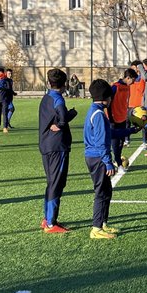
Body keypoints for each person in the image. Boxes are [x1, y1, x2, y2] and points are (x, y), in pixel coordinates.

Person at [38, 68, 76, 233]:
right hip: (57, 147)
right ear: (65, 83)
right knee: (56, 183)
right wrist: (64, 120)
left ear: (48, 83)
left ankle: (47, 218)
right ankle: (51, 223)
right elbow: (61, 117)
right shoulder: (58, 99)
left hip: (46, 145)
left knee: (52, 181)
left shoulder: (46, 97)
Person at [83, 79, 119, 240]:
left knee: (107, 191)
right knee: (101, 192)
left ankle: (103, 223)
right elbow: (101, 141)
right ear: (107, 98)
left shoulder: (95, 110)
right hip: (97, 158)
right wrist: (107, 161)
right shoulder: (98, 114)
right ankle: (96, 228)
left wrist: (131, 130)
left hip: (95, 156)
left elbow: (109, 133)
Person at [109, 68, 138, 172]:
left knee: (121, 143)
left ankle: (116, 161)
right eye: (133, 80)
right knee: (115, 143)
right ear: (128, 77)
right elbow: (108, 103)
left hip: (123, 118)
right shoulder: (115, 87)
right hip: (114, 119)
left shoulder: (127, 87)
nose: (134, 82)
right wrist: (110, 117)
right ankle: (118, 163)